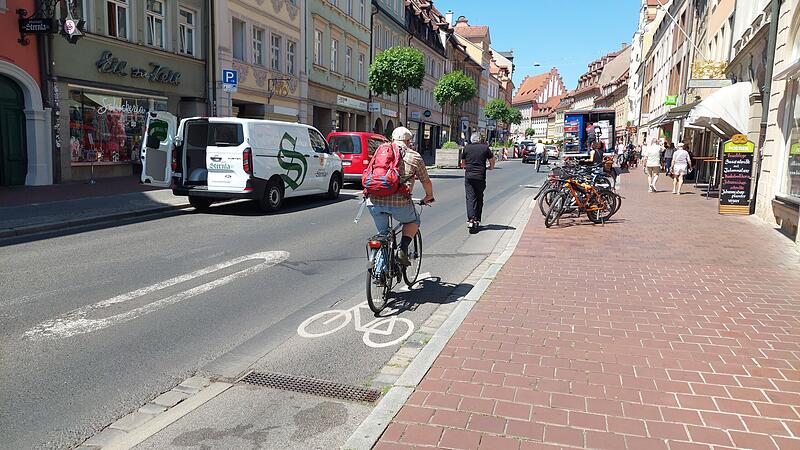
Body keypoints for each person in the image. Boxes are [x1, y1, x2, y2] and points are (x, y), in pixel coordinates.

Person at [367, 127, 435, 265]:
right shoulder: (414, 156)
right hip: (400, 203)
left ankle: (380, 271)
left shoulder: (380, 152)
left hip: (373, 201)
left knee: (383, 235)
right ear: (409, 141)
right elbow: (425, 180)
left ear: (392, 139)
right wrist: (429, 196)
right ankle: (402, 250)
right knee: (413, 221)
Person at [461, 133, 495, 233]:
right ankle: (477, 219)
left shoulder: (466, 148)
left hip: (469, 176)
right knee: (479, 197)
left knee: (470, 198)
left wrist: (466, 167)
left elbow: (463, 163)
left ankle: (471, 219)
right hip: (480, 176)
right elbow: (492, 160)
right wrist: (490, 167)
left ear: (472, 140)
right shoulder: (485, 148)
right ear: (479, 139)